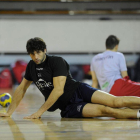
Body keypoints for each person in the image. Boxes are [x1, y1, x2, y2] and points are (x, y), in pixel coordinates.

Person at [1, 37, 140, 119]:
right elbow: (21, 89)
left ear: (45, 50)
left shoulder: (56, 62)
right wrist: (9, 113)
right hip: (68, 107)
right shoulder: (31, 66)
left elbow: (58, 90)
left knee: (116, 102)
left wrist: (39, 112)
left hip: (79, 90)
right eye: (32, 54)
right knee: (107, 111)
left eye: (38, 52)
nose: (35, 57)